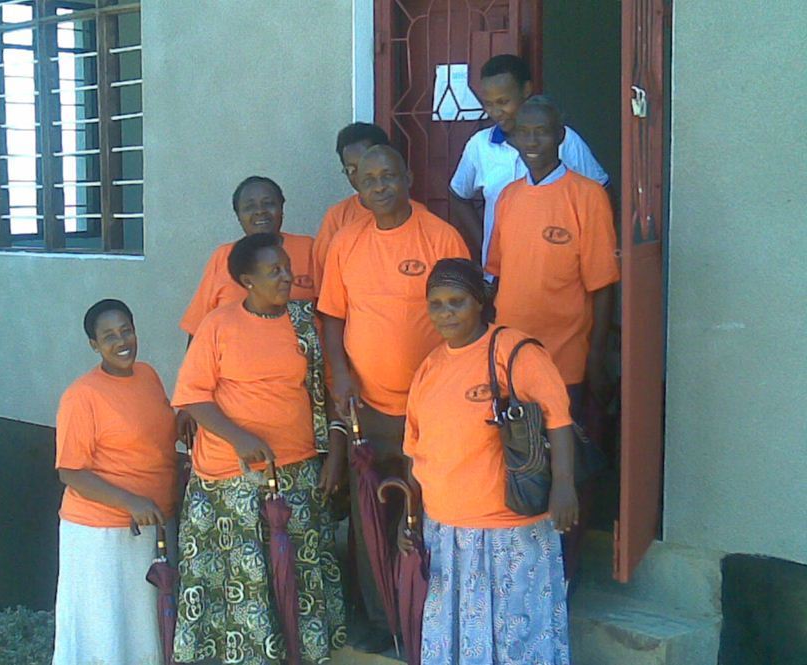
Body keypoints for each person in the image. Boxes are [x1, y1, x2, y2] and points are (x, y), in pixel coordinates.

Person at [317, 144, 469, 652]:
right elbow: (332, 316)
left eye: (388, 176)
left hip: (432, 408)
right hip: (369, 409)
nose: (379, 186)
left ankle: (428, 616)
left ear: (408, 177)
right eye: (369, 179)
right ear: (357, 188)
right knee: (371, 519)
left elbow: (466, 314)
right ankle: (383, 619)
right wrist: (340, 375)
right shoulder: (346, 243)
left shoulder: (440, 236)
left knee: (430, 512)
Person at [171, 233, 346, 664]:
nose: (287, 277)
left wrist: (336, 451)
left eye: (287, 268)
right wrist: (240, 438)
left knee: (295, 577)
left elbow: (327, 392)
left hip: (297, 472)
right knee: (244, 581)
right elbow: (193, 397)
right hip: (231, 478)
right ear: (247, 280)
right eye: (274, 271)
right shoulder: (218, 325)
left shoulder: (304, 325)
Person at [401, 259, 575, 664]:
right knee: (460, 639)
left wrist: (565, 484)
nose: (446, 313)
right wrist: (408, 519)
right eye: (436, 304)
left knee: (517, 639)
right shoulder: (429, 368)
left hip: (509, 529)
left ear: (480, 301)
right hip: (446, 533)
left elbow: (558, 419)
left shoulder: (513, 351)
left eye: (457, 302)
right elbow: (415, 451)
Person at [486, 95, 620, 581]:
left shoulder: (587, 196)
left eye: (542, 131)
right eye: (524, 132)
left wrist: (597, 356)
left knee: (568, 472)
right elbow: (498, 277)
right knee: (521, 469)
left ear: (561, 136)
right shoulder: (509, 197)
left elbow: (602, 287)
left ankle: (564, 577)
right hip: (511, 362)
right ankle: (525, 574)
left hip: (565, 360)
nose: (533, 141)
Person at [52, 299, 192, 665]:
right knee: (106, 630)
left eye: (126, 331)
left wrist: (184, 422)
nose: (122, 342)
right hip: (101, 535)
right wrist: (131, 502)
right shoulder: (82, 395)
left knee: (144, 628)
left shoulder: (147, 375)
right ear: (94, 345)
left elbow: (155, 434)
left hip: (153, 526)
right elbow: (71, 472)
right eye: (109, 336)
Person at [450, 54, 609, 265]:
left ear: (526, 90)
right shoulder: (479, 145)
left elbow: (603, 193)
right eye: (488, 104)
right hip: (501, 273)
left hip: (559, 272)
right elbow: (458, 195)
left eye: (503, 102)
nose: (495, 112)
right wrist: (486, 246)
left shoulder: (564, 139)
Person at [180, 176, 316, 340]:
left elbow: (331, 313)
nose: (260, 211)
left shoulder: (309, 249)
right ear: (238, 216)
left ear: (282, 209)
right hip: (235, 354)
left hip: (298, 354)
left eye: (268, 203)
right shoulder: (223, 257)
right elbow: (198, 329)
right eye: (249, 207)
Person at [311, 122, 391, 292]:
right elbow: (324, 281)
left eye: (365, 165)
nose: (360, 175)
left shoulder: (417, 216)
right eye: (351, 169)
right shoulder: (337, 217)